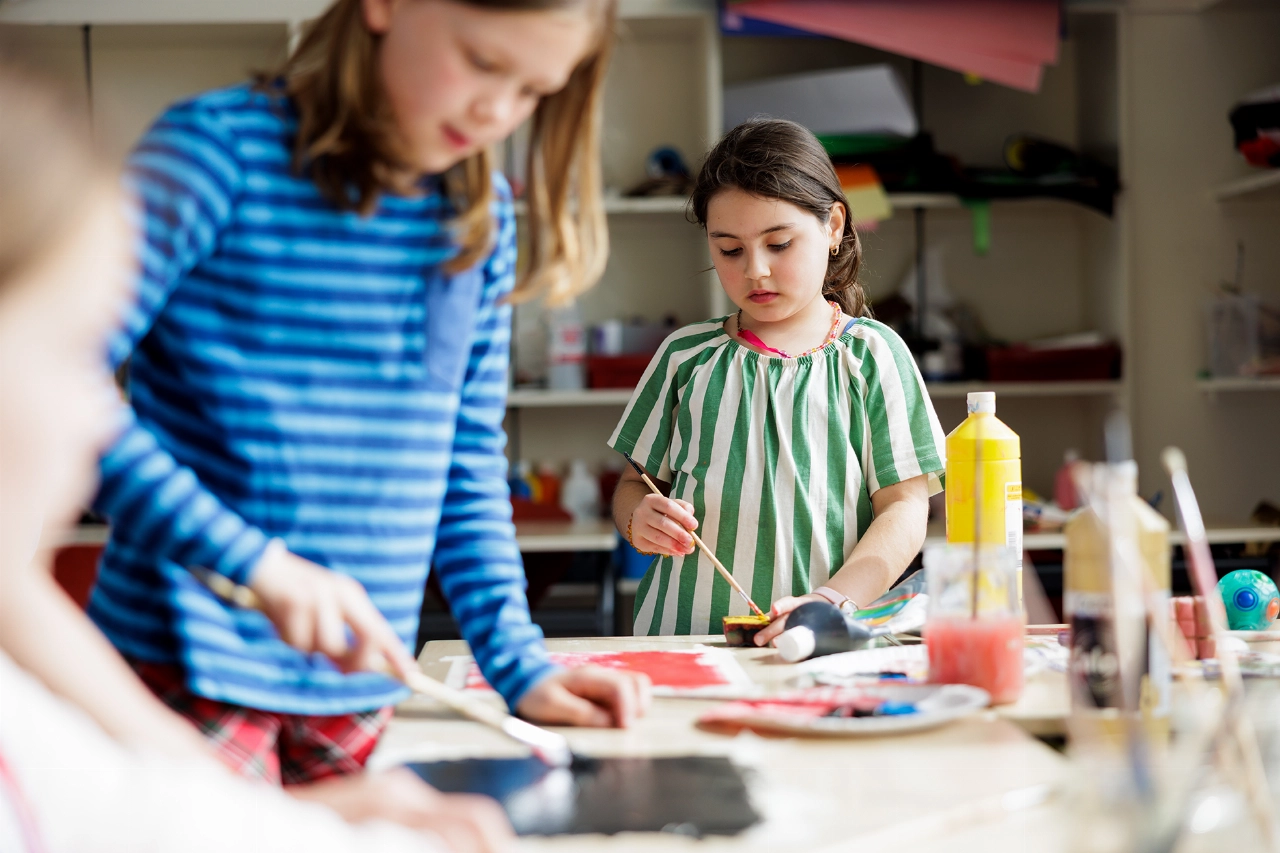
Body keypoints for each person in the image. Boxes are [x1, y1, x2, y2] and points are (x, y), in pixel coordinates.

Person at [85, 0, 650, 786]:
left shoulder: (478, 222)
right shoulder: (212, 154)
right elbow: (47, 388)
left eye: (534, 91)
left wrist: (521, 666)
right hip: (186, 664)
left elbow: (464, 461)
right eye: (485, 62)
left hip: (358, 687)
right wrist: (255, 563)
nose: (498, 111)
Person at [0, 65, 512, 853]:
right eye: (73, 351)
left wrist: (291, 820)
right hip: (193, 657)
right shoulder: (218, 154)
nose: (99, 413)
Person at [609, 119, 946, 642]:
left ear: (833, 227)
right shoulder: (684, 357)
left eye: (780, 243)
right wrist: (638, 519)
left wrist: (828, 603)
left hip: (821, 637)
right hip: (683, 639)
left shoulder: (874, 356)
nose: (756, 271)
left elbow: (904, 510)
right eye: (730, 250)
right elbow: (634, 486)